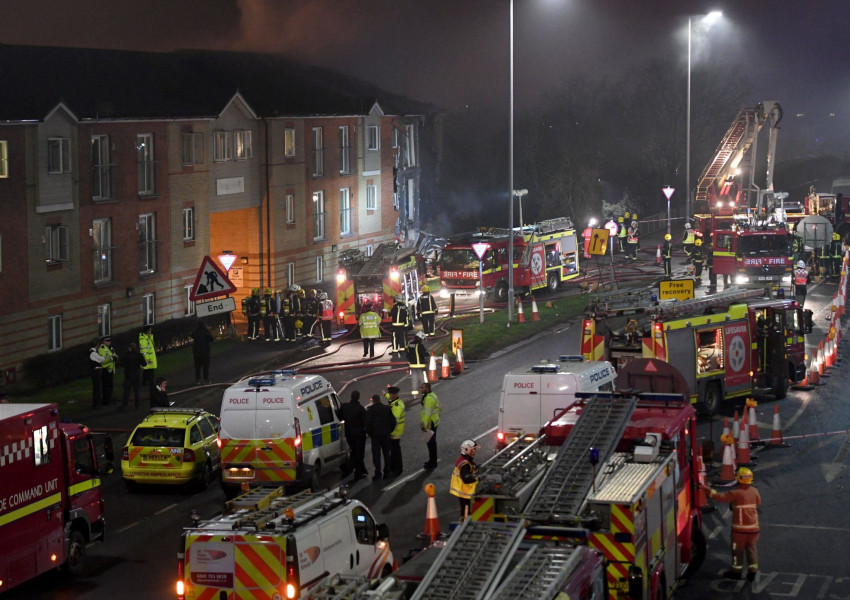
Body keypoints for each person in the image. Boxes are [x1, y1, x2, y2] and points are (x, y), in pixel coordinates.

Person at [703, 467, 762, 582]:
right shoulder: (755, 491)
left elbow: (720, 497)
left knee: (737, 551)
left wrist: (709, 490)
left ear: (738, 479)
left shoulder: (735, 493)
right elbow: (758, 503)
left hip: (739, 531)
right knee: (752, 549)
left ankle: (736, 572)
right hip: (754, 530)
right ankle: (752, 572)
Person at [364, 393, 395, 481]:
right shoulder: (387, 408)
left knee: (376, 456)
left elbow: (367, 425)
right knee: (386, 454)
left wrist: (371, 434)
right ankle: (387, 472)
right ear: (380, 400)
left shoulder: (370, 410)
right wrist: (389, 431)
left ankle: (378, 474)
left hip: (376, 437)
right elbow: (393, 422)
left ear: (372, 401)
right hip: (386, 435)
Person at [338, 390, 368, 479]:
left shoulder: (344, 407)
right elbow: (366, 422)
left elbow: (340, 416)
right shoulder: (360, 408)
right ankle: (357, 472)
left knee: (353, 451)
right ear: (358, 397)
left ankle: (356, 469)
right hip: (359, 434)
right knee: (359, 453)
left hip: (349, 434)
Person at [450, 439, 480, 520]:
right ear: (467, 450)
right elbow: (466, 479)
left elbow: (472, 467)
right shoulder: (465, 464)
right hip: (464, 491)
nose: (475, 452)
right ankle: (463, 523)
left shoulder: (464, 460)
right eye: (473, 450)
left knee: (465, 510)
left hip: (463, 491)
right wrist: (478, 478)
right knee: (466, 512)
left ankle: (463, 520)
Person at [419, 382, 441, 470]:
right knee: (432, 443)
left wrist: (424, 425)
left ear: (427, 389)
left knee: (431, 444)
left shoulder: (428, 398)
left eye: (422, 388)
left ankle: (433, 462)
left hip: (430, 423)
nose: (421, 389)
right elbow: (439, 408)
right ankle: (432, 461)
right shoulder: (432, 395)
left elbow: (427, 414)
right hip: (434, 421)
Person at [121, 341, 147, 410]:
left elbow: (122, 364)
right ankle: (137, 405)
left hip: (128, 374)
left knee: (127, 391)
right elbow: (144, 364)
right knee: (137, 391)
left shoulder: (126, 355)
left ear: (129, 348)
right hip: (136, 374)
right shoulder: (139, 355)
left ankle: (125, 405)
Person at [387, 386, 406, 477]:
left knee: (395, 452)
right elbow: (389, 398)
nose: (389, 396)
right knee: (395, 451)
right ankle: (395, 468)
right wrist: (385, 394)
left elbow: (394, 421)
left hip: (395, 432)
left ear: (394, 395)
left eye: (390, 394)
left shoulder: (396, 406)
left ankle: (396, 469)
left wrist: (390, 432)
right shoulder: (396, 402)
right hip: (396, 432)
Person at [191, 319, 214, 384]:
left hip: (197, 353)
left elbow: (192, 335)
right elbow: (212, 339)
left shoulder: (196, 332)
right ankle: (206, 379)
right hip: (205, 352)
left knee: (197, 367)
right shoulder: (206, 331)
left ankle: (197, 380)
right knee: (205, 367)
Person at [139, 325, 158, 401]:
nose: (151, 331)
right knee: (150, 371)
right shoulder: (144, 340)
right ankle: (151, 385)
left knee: (147, 371)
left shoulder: (148, 338)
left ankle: (144, 383)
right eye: (150, 330)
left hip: (151, 358)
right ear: (147, 331)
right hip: (149, 359)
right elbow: (144, 351)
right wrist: (148, 359)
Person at [97, 336, 117, 405]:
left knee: (110, 386)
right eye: (108, 341)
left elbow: (115, 355)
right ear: (104, 342)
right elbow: (103, 360)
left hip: (110, 370)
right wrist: (112, 358)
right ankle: (105, 401)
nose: (109, 342)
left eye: (110, 341)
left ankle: (109, 399)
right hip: (105, 370)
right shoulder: (101, 349)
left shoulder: (110, 348)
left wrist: (116, 358)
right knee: (106, 386)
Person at [89, 338, 106, 409]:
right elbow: (102, 359)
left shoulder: (92, 352)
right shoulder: (93, 353)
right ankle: (97, 404)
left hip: (95, 372)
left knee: (96, 388)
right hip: (96, 372)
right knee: (97, 388)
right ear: (97, 345)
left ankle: (96, 403)